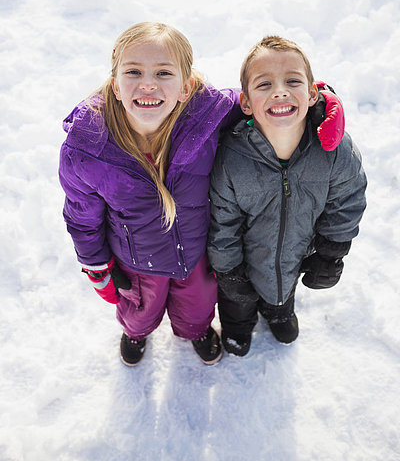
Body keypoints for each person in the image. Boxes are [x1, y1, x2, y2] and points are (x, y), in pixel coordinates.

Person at [59, 23, 345, 366]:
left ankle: (196, 332)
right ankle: (136, 333)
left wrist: (323, 102)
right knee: (138, 312)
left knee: (196, 308)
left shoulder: (205, 116)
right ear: (116, 82)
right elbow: (82, 218)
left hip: (193, 254)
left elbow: (263, 100)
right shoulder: (87, 149)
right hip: (134, 261)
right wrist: (96, 266)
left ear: (186, 87)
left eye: (164, 72)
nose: (148, 83)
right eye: (133, 71)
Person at [207, 35, 367, 357]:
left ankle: (278, 311)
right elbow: (222, 221)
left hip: (296, 252)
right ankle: (238, 326)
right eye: (264, 84)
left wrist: (331, 252)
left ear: (311, 94)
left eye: (292, 80)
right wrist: (228, 271)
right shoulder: (232, 158)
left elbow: (346, 201)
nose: (280, 90)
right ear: (246, 102)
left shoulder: (333, 151)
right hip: (244, 261)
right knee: (238, 301)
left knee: (282, 287)